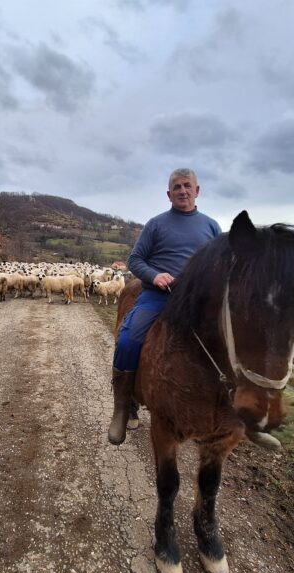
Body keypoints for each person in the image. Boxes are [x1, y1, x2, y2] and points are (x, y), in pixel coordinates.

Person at [108, 168, 221, 444]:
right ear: (169, 194)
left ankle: (240, 408)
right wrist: (155, 276)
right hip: (159, 295)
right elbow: (135, 260)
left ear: (197, 191)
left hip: (198, 301)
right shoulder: (156, 224)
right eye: (177, 187)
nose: (182, 191)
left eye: (187, 186)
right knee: (128, 339)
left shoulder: (212, 226)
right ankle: (123, 407)